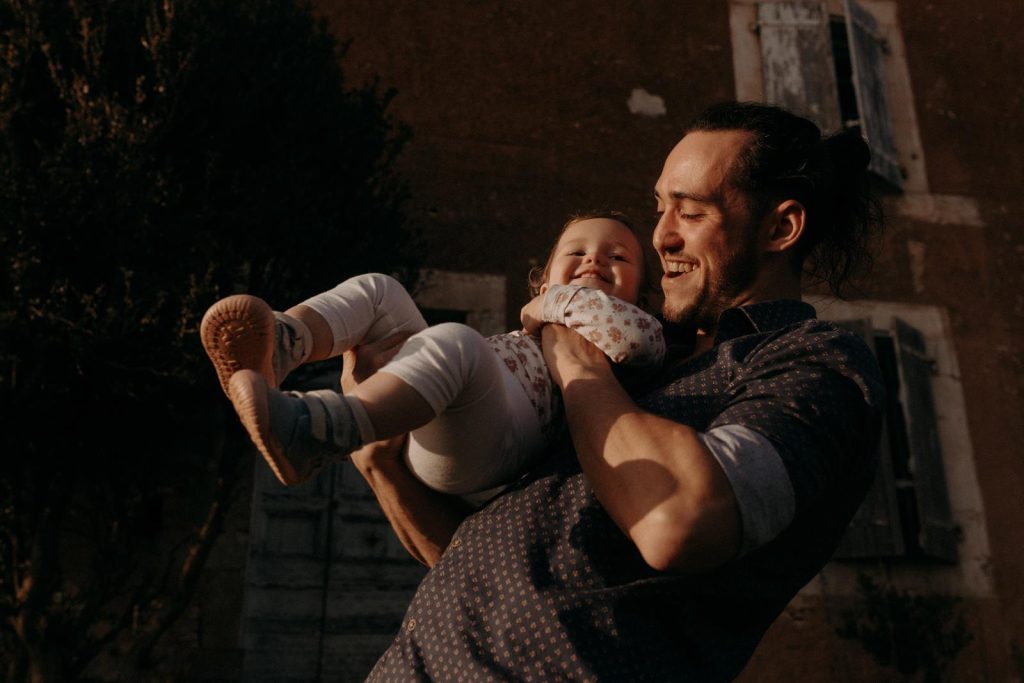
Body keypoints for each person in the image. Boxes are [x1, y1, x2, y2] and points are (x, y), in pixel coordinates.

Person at [344, 102, 887, 681]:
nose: (661, 237)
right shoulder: (641, 357)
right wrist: (383, 466)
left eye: (692, 212)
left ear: (781, 227)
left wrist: (579, 368)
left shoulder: (814, 360)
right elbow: (502, 572)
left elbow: (677, 521)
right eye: (661, 208)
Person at [201, 213, 664, 503]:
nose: (594, 261)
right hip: (447, 412)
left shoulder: (637, 328)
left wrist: (549, 305)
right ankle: (283, 345)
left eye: (618, 258)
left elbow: (634, 341)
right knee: (380, 290)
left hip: (493, 446)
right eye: (577, 251)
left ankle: (318, 431)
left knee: (458, 344)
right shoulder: (539, 319)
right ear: (543, 283)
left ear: (642, 299)